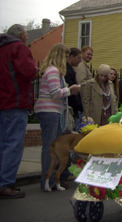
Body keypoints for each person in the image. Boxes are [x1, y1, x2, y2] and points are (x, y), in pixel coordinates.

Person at [34, 43, 81, 191]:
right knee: (50, 146)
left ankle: (51, 180)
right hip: (49, 111)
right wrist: (70, 89)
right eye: (66, 56)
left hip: (51, 111)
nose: (67, 59)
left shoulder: (52, 71)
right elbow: (55, 93)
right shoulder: (53, 71)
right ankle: (47, 181)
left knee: (51, 146)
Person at [0, 24, 37, 199]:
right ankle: (6, 183)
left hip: (2, 102)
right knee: (13, 144)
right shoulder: (19, 47)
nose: (28, 37)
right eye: (27, 34)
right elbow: (29, 72)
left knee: (2, 143)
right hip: (15, 102)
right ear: (21, 34)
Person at [65, 48, 84, 131]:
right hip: (72, 107)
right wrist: (79, 106)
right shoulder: (67, 71)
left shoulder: (71, 70)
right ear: (71, 57)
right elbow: (71, 91)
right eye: (79, 58)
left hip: (75, 107)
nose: (80, 61)